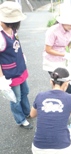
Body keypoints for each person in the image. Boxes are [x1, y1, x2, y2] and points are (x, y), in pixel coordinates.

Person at [31, 67, 71, 154]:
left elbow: (32, 114)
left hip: (38, 149)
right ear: (67, 83)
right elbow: (67, 117)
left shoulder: (40, 95)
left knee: (41, 128)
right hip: (63, 150)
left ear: (51, 82)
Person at [0, 1, 33, 129]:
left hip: (20, 66)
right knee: (15, 98)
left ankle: (27, 112)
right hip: (10, 74)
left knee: (25, 91)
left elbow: (17, 45)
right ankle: (20, 119)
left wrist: (22, 55)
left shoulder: (12, 29)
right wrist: (1, 78)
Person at [42, 7, 71, 103]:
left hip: (63, 59)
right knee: (58, 82)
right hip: (51, 61)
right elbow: (48, 49)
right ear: (62, 22)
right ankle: (59, 100)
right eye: (69, 23)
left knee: (68, 80)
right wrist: (64, 54)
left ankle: (70, 99)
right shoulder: (52, 31)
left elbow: (69, 41)